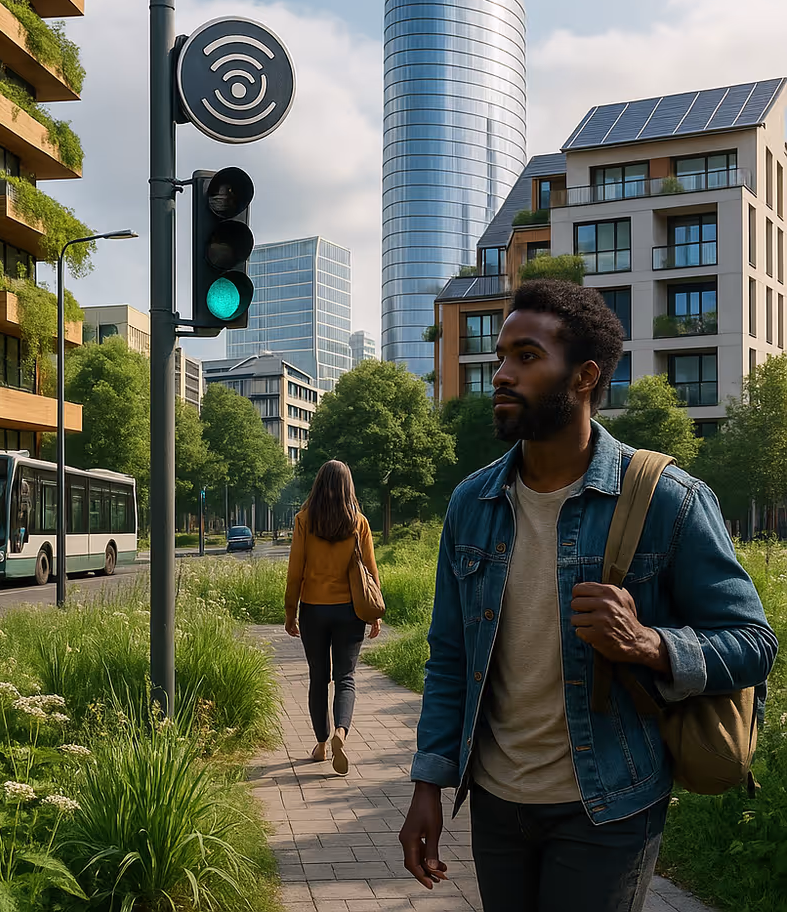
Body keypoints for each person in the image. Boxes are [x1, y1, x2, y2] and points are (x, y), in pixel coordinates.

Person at [398, 278, 777, 912]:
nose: (500, 374)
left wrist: (650, 643)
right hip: (495, 802)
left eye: (526, 356)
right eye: (500, 357)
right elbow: (449, 661)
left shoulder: (668, 499)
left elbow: (754, 643)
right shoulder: (472, 504)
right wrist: (428, 785)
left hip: (609, 803)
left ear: (584, 378)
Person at [285, 459, 382, 775]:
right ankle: (341, 731)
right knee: (346, 678)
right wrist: (375, 615)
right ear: (347, 487)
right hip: (351, 610)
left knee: (318, 677)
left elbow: (295, 571)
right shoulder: (359, 523)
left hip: (313, 610)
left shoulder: (304, 520)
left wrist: (290, 611)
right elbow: (369, 569)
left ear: (318, 485)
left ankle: (322, 745)